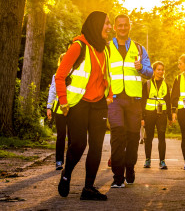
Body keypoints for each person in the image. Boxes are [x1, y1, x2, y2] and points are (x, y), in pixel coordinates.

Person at [56, 11, 113, 201]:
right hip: (79, 104)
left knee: (97, 146)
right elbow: (60, 76)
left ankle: (88, 188)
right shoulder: (78, 46)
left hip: (99, 105)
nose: (109, 27)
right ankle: (66, 174)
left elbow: (106, 76)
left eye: (110, 23)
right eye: (106, 23)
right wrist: (63, 101)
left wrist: (109, 94)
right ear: (96, 25)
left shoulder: (105, 49)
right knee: (79, 145)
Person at [108, 14, 153, 188]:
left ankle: (130, 167)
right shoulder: (106, 48)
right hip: (115, 100)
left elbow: (149, 73)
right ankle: (117, 176)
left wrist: (141, 68)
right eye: (119, 25)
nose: (122, 28)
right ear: (114, 27)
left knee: (133, 137)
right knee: (117, 137)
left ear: (129, 27)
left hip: (134, 101)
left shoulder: (139, 49)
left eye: (125, 25)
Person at [141, 61, 172, 169]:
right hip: (149, 114)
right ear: (154, 71)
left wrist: (170, 117)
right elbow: (143, 101)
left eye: (162, 69)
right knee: (148, 138)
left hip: (162, 115)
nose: (160, 71)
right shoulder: (147, 84)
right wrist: (142, 117)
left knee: (161, 137)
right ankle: (147, 160)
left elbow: (168, 101)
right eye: (158, 69)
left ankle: (162, 161)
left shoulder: (166, 84)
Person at [46, 54, 70, 171]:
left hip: (73, 109)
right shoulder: (56, 76)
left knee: (72, 136)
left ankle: (71, 161)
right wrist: (49, 107)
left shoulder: (75, 75)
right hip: (59, 110)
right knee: (61, 135)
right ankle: (59, 161)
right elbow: (52, 92)